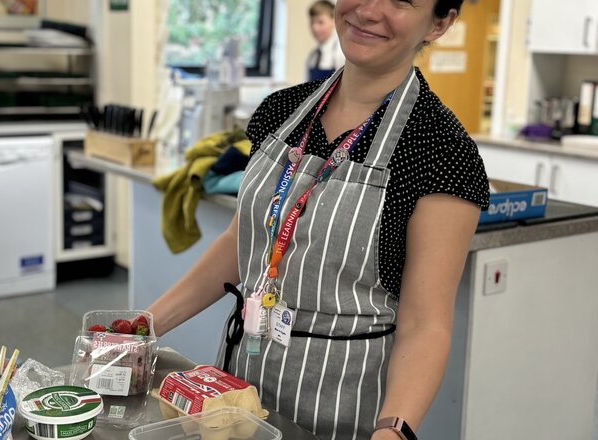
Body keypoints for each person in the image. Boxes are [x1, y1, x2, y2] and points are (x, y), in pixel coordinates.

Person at [148, 0, 489, 439]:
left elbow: (426, 325)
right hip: (233, 394)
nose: (368, 11)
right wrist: (143, 327)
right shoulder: (280, 113)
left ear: (439, 23)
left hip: (338, 413)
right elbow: (243, 245)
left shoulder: (441, 152)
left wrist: (393, 430)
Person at [306, 1, 345, 81]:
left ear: (334, 21)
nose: (315, 28)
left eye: (320, 22)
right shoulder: (312, 56)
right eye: (312, 22)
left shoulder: (341, 53)